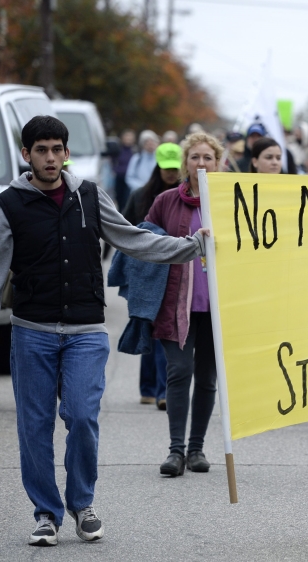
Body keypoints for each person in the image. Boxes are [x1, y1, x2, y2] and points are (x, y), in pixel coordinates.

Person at [0, 116, 208, 546]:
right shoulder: (8, 205)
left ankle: (82, 503)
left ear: (66, 152)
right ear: (27, 155)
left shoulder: (89, 197)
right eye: (40, 150)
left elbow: (133, 239)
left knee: (81, 417)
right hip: (31, 330)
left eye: (57, 149)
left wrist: (191, 246)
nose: (50, 157)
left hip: (85, 331)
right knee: (35, 427)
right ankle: (46, 513)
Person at [145, 132, 223, 478]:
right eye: (195, 158)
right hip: (176, 305)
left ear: (218, 163)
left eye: (208, 158)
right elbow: (145, 246)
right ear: (184, 163)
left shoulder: (230, 201)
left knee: (207, 378)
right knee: (179, 372)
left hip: (218, 309)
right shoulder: (166, 201)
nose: (201, 164)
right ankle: (175, 451)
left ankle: (196, 449)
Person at [121, 142, 183, 410]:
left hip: (173, 266)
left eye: (174, 167)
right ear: (158, 165)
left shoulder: (183, 195)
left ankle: (161, 390)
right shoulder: (140, 195)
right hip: (144, 268)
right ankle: (148, 388)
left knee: (160, 328)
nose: (171, 172)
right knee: (146, 323)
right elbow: (123, 226)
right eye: (166, 167)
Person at [125, 130, 160, 196]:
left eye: (152, 141)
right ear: (142, 144)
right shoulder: (137, 158)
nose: (150, 144)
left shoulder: (160, 159)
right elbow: (129, 177)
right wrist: (142, 187)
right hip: (139, 194)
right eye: (147, 142)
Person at [113, 129, 136, 208]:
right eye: (127, 137)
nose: (128, 139)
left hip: (129, 179)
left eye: (130, 137)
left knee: (126, 199)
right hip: (119, 177)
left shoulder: (135, 151)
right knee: (119, 198)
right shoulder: (118, 150)